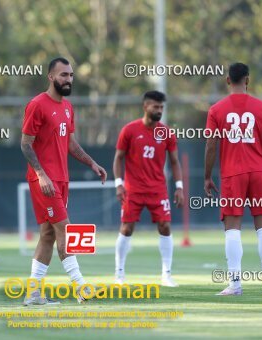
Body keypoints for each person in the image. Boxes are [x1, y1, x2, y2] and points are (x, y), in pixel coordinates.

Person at [20, 57, 107, 305]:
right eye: (63, 75)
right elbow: (25, 144)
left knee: (48, 235)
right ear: (51, 77)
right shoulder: (37, 105)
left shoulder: (68, 107)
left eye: (70, 75)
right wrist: (41, 174)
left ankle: (33, 294)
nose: (68, 79)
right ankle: (81, 287)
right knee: (65, 231)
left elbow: (69, 141)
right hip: (44, 181)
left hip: (62, 180)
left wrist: (91, 162)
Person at [204, 63, 262, 296]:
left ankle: (236, 284)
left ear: (228, 80)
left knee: (233, 229)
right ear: (248, 80)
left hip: (232, 174)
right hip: (258, 173)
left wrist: (207, 176)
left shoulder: (216, 110)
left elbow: (211, 145)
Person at [113, 90, 184, 287]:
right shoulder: (129, 130)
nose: (159, 110)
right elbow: (118, 158)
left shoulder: (167, 132)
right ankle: (119, 275)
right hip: (132, 189)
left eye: (162, 107)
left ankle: (166, 275)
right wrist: (118, 184)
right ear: (145, 107)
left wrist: (179, 187)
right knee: (127, 228)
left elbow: (175, 161)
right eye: (156, 106)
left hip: (158, 189)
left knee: (165, 226)